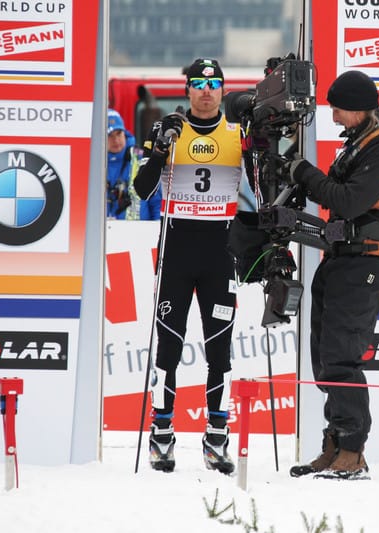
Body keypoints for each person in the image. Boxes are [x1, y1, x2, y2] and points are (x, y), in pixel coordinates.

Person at [286, 70, 379, 480]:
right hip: (342, 259)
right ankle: (335, 443)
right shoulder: (359, 143)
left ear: (361, 107)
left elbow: (348, 201)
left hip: (367, 264)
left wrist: (303, 172)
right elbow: (336, 196)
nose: (334, 116)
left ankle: (352, 452)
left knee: (341, 355)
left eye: (339, 109)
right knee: (326, 358)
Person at [134, 58, 245, 475]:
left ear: (223, 90)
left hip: (220, 252)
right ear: (188, 90)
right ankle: (162, 433)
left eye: (213, 84)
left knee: (220, 350)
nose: (206, 90)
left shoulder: (237, 132)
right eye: (198, 83)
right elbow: (142, 189)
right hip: (177, 249)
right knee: (169, 348)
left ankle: (217, 436)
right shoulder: (169, 130)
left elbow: (262, 185)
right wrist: (160, 151)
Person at [106, 109, 135, 219]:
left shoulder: (139, 159)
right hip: (101, 227)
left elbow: (156, 201)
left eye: (119, 134)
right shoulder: (92, 164)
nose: (116, 140)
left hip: (138, 227)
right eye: (110, 135)